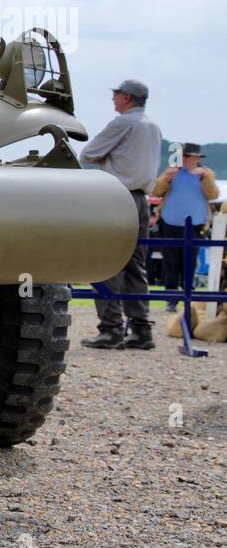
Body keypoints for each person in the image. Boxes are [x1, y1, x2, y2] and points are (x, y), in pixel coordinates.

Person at [80, 79, 162, 350]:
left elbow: (89, 153)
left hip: (117, 195)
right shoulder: (152, 126)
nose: (113, 98)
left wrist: (107, 159)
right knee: (136, 266)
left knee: (106, 262)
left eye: (116, 94)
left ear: (127, 98)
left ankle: (111, 328)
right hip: (141, 198)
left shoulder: (122, 123)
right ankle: (141, 329)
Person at [153, 143, 218, 311]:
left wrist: (205, 178)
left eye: (187, 156)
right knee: (170, 263)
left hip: (195, 225)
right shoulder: (171, 172)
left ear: (197, 158)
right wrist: (167, 177)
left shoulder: (206, 174)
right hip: (170, 223)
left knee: (190, 263)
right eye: (183, 156)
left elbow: (213, 195)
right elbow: (155, 191)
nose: (184, 159)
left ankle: (190, 298)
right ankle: (171, 299)